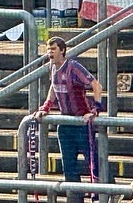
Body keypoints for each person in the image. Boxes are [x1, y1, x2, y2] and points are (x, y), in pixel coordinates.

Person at [34, 35, 105, 203]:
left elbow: (97, 86)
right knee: (68, 165)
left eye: (53, 49)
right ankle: (75, 199)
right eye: (48, 49)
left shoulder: (74, 67)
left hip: (81, 123)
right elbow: (53, 87)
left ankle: (106, 193)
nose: (49, 53)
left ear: (62, 50)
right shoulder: (52, 67)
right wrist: (46, 106)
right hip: (65, 123)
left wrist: (95, 109)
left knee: (92, 161)